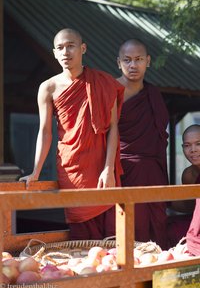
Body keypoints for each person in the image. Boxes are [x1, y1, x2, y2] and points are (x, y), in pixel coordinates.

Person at [19, 28, 124, 240]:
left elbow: (113, 127)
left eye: (71, 46)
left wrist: (108, 168)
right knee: (82, 236)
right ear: (54, 53)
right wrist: (35, 172)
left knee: (111, 238)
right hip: (71, 167)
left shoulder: (103, 82)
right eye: (60, 48)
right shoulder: (48, 87)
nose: (65, 52)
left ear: (82, 48)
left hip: (100, 165)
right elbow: (45, 132)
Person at [116, 38, 169, 249]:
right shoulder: (110, 90)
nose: (133, 65)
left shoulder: (153, 93)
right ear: (118, 62)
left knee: (157, 226)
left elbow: (159, 136)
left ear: (148, 61)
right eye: (127, 60)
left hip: (153, 170)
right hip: (123, 169)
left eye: (138, 59)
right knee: (128, 225)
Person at [178, 124, 200, 255]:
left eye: (198, 144)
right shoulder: (188, 174)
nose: (193, 150)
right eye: (187, 145)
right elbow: (190, 207)